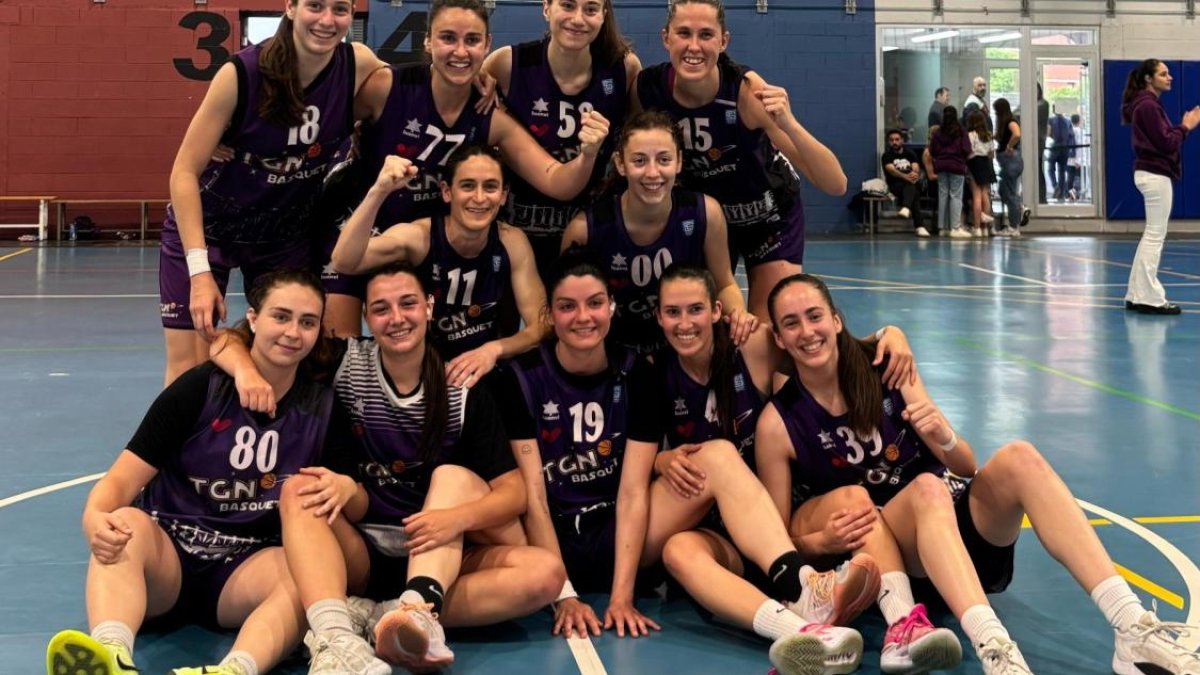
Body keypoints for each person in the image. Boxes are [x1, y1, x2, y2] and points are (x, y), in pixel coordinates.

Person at [758, 272, 1200, 675]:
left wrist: (943, 436)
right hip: (899, 564)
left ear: (836, 321)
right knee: (927, 488)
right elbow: (776, 541)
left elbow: (965, 466)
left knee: (1020, 457)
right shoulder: (779, 425)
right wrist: (821, 543)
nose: (807, 332)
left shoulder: (886, 365)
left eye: (814, 316)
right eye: (791, 323)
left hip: (960, 540)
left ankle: (1132, 628)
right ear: (778, 337)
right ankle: (998, 652)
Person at [499, 251, 879, 675]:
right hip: (610, 534)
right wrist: (565, 590)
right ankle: (801, 594)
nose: (685, 323)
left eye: (696, 309)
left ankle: (800, 629)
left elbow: (822, 346)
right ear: (657, 318)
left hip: (717, 525)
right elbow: (553, 489)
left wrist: (888, 337)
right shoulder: (634, 372)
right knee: (695, 509)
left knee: (708, 490)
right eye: (673, 312)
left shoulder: (738, 349)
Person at [213, 262, 563, 673]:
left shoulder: (461, 385)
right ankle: (343, 627)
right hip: (358, 553)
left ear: (429, 308)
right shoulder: (344, 362)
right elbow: (224, 340)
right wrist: (244, 372)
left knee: (543, 572)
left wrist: (454, 519)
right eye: (381, 309)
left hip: (436, 554)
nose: (396, 318)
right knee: (301, 489)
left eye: (408, 304)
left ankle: (401, 613)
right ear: (366, 317)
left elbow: (513, 492)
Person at [46, 270, 339, 675]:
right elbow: (119, 481)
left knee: (304, 574)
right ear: (253, 319)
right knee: (123, 523)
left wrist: (345, 486)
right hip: (169, 558)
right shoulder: (198, 390)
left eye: (307, 322)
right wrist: (93, 518)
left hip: (244, 568)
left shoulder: (322, 406)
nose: (293, 332)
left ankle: (236, 669)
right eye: (281, 317)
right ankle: (111, 655)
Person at [318, 0, 612, 336]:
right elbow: (327, 126)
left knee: (425, 351)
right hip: (359, 233)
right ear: (428, 41)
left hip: (427, 248)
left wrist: (588, 154)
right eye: (447, 38)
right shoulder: (387, 88)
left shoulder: (489, 117)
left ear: (486, 45)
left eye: (472, 40)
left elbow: (557, 181)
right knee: (335, 355)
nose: (460, 51)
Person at [160, 0, 383, 386]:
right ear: (290, 8)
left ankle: (280, 441)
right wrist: (198, 273)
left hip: (283, 234)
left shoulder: (357, 63)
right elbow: (183, 172)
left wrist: (483, 80)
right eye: (315, 6)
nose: (328, 21)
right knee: (190, 369)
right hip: (211, 227)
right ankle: (181, 447)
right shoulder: (240, 74)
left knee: (290, 353)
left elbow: (416, 93)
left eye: (341, 9)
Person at [634, 0, 846, 319]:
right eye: (683, 33)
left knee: (767, 326)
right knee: (708, 322)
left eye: (706, 35)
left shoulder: (746, 93)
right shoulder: (648, 89)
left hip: (768, 218)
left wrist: (788, 122)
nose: (694, 46)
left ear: (723, 41)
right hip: (710, 221)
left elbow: (836, 184)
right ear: (666, 38)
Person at [331, 146, 546, 388]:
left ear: (503, 195)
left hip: (480, 374)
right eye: (467, 186)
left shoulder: (511, 241)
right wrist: (379, 191)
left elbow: (541, 325)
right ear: (446, 191)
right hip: (420, 375)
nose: (479, 197)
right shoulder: (420, 238)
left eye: (490, 187)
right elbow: (343, 261)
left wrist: (493, 350)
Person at [560, 110, 756, 354]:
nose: (653, 173)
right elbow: (567, 305)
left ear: (679, 162)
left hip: (683, 346)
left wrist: (738, 313)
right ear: (621, 163)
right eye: (639, 161)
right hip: (614, 353)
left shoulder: (705, 212)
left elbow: (725, 283)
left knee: (754, 340)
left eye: (664, 159)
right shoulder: (586, 229)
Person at [482, 0, 642, 283]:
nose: (578, 19)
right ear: (546, 8)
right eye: (567, 6)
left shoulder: (623, 69)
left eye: (590, 9)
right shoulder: (506, 64)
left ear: (604, 16)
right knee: (508, 321)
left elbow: (637, 145)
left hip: (587, 229)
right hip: (518, 227)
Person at [1122, 59, 1200, 315]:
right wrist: (1185, 126)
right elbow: (1167, 142)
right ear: (1148, 78)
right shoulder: (1147, 106)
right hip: (1155, 174)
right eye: (1163, 74)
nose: (1170, 78)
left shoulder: (1146, 104)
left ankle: (1136, 293)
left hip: (1150, 173)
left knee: (1150, 234)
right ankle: (1149, 297)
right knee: (1155, 235)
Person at [929, 107, 971, 238]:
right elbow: (967, 149)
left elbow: (932, 150)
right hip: (957, 166)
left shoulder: (937, 132)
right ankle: (955, 227)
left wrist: (940, 158)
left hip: (941, 166)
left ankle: (943, 228)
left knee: (943, 196)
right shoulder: (961, 131)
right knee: (956, 196)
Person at [880, 129, 928, 237]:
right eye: (892, 140)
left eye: (897, 139)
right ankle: (919, 226)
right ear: (889, 142)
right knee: (914, 191)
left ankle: (906, 208)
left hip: (910, 183)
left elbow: (915, 167)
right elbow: (891, 170)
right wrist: (906, 176)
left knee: (912, 187)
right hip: (895, 186)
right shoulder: (886, 155)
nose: (894, 142)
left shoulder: (910, 153)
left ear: (902, 140)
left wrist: (914, 174)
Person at [992, 98, 1029, 236]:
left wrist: (1009, 146)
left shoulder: (1010, 121)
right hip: (1009, 162)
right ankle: (1020, 208)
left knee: (1010, 193)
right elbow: (1003, 136)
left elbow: (1017, 134)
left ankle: (1014, 226)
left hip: (1011, 161)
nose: (995, 114)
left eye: (996, 111)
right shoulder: (1005, 123)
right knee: (1003, 191)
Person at [965, 110, 996, 238]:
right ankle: (985, 228)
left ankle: (977, 227)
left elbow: (969, 152)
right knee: (985, 194)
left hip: (974, 163)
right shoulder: (988, 135)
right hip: (986, 164)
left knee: (976, 195)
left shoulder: (970, 135)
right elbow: (991, 154)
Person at [1048, 109, 1076, 201]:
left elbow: (1048, 133)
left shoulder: (1050, 120)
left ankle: (1056, 187)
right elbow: (1071, 135)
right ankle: (1061, 194)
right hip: (1065, 148)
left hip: (1055, 147)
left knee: (1050, 169)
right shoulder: (1068, 121)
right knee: (1062, 171)